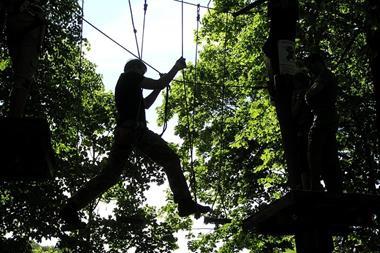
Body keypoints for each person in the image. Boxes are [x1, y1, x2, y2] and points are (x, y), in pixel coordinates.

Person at [61, 57, 211, 229]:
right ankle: (185, 202)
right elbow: (159, 83)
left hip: (125, 131)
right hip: (135, 131)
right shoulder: (129, 76)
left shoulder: (129, 86)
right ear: (136, 69)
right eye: (142, 72)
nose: (142, 75)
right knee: (170, 160)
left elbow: (146, 104)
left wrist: (159, 89)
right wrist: (176, 68)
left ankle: (70, 208)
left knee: (110, 176)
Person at [1, 0, 46, 118]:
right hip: (27, 20)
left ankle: (14, 116)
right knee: (23, 77)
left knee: (21, 76)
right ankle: (14, 118)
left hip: (18, 19)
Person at [305, 53, 342, 193]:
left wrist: (307, 95)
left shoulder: (324, 76)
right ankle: (334, 186)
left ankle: (315, 185)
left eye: (311, 65)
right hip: (327, 117)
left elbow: (312, 93)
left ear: (318, 63)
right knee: (329, 152)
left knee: (314, 149)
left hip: (323, 118)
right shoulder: (321, 76)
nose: (310, 69)